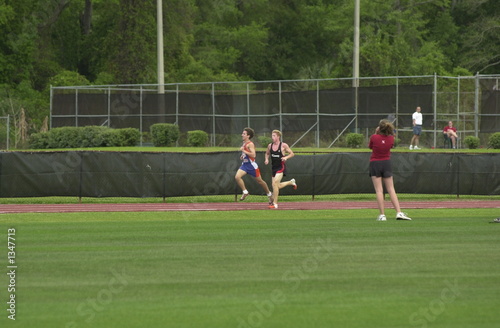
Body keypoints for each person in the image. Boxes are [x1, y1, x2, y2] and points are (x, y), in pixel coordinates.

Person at [369, 119, 412, 221]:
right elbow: (389, 144)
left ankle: (382, 215)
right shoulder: (391, 139)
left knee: (379, 190)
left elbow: (370, 146)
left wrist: (376, 133)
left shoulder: (374, 137)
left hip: (375, 163)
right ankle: (398, 212)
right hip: (386, 163)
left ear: (379, 128)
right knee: (391, 189)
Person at [235, 127, 273, 204]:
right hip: (245, 165)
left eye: (244, 134)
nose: (242, 135)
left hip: (252, 166)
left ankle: (269, 194)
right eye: (242, 133)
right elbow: (247, 153)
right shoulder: (244, 143)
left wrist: (243, 150)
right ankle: (245, 192)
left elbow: (253, 155)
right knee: (237, 177)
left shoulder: (250, 144)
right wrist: (243, 156)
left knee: (260, 181)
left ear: (248, 136)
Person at [264, 130, 297, 209]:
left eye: (274, 136)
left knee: (275, 183)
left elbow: (292, 154)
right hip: (273, 168)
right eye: (272, 136)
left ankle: (275, 204)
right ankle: (291, 182)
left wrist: (286, 157)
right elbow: (267, 153)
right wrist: (266, 159)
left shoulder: (283, 145)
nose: (272, 137)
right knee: (276, 185)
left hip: (281, 167)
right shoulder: (270, 145)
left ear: (278, 137)